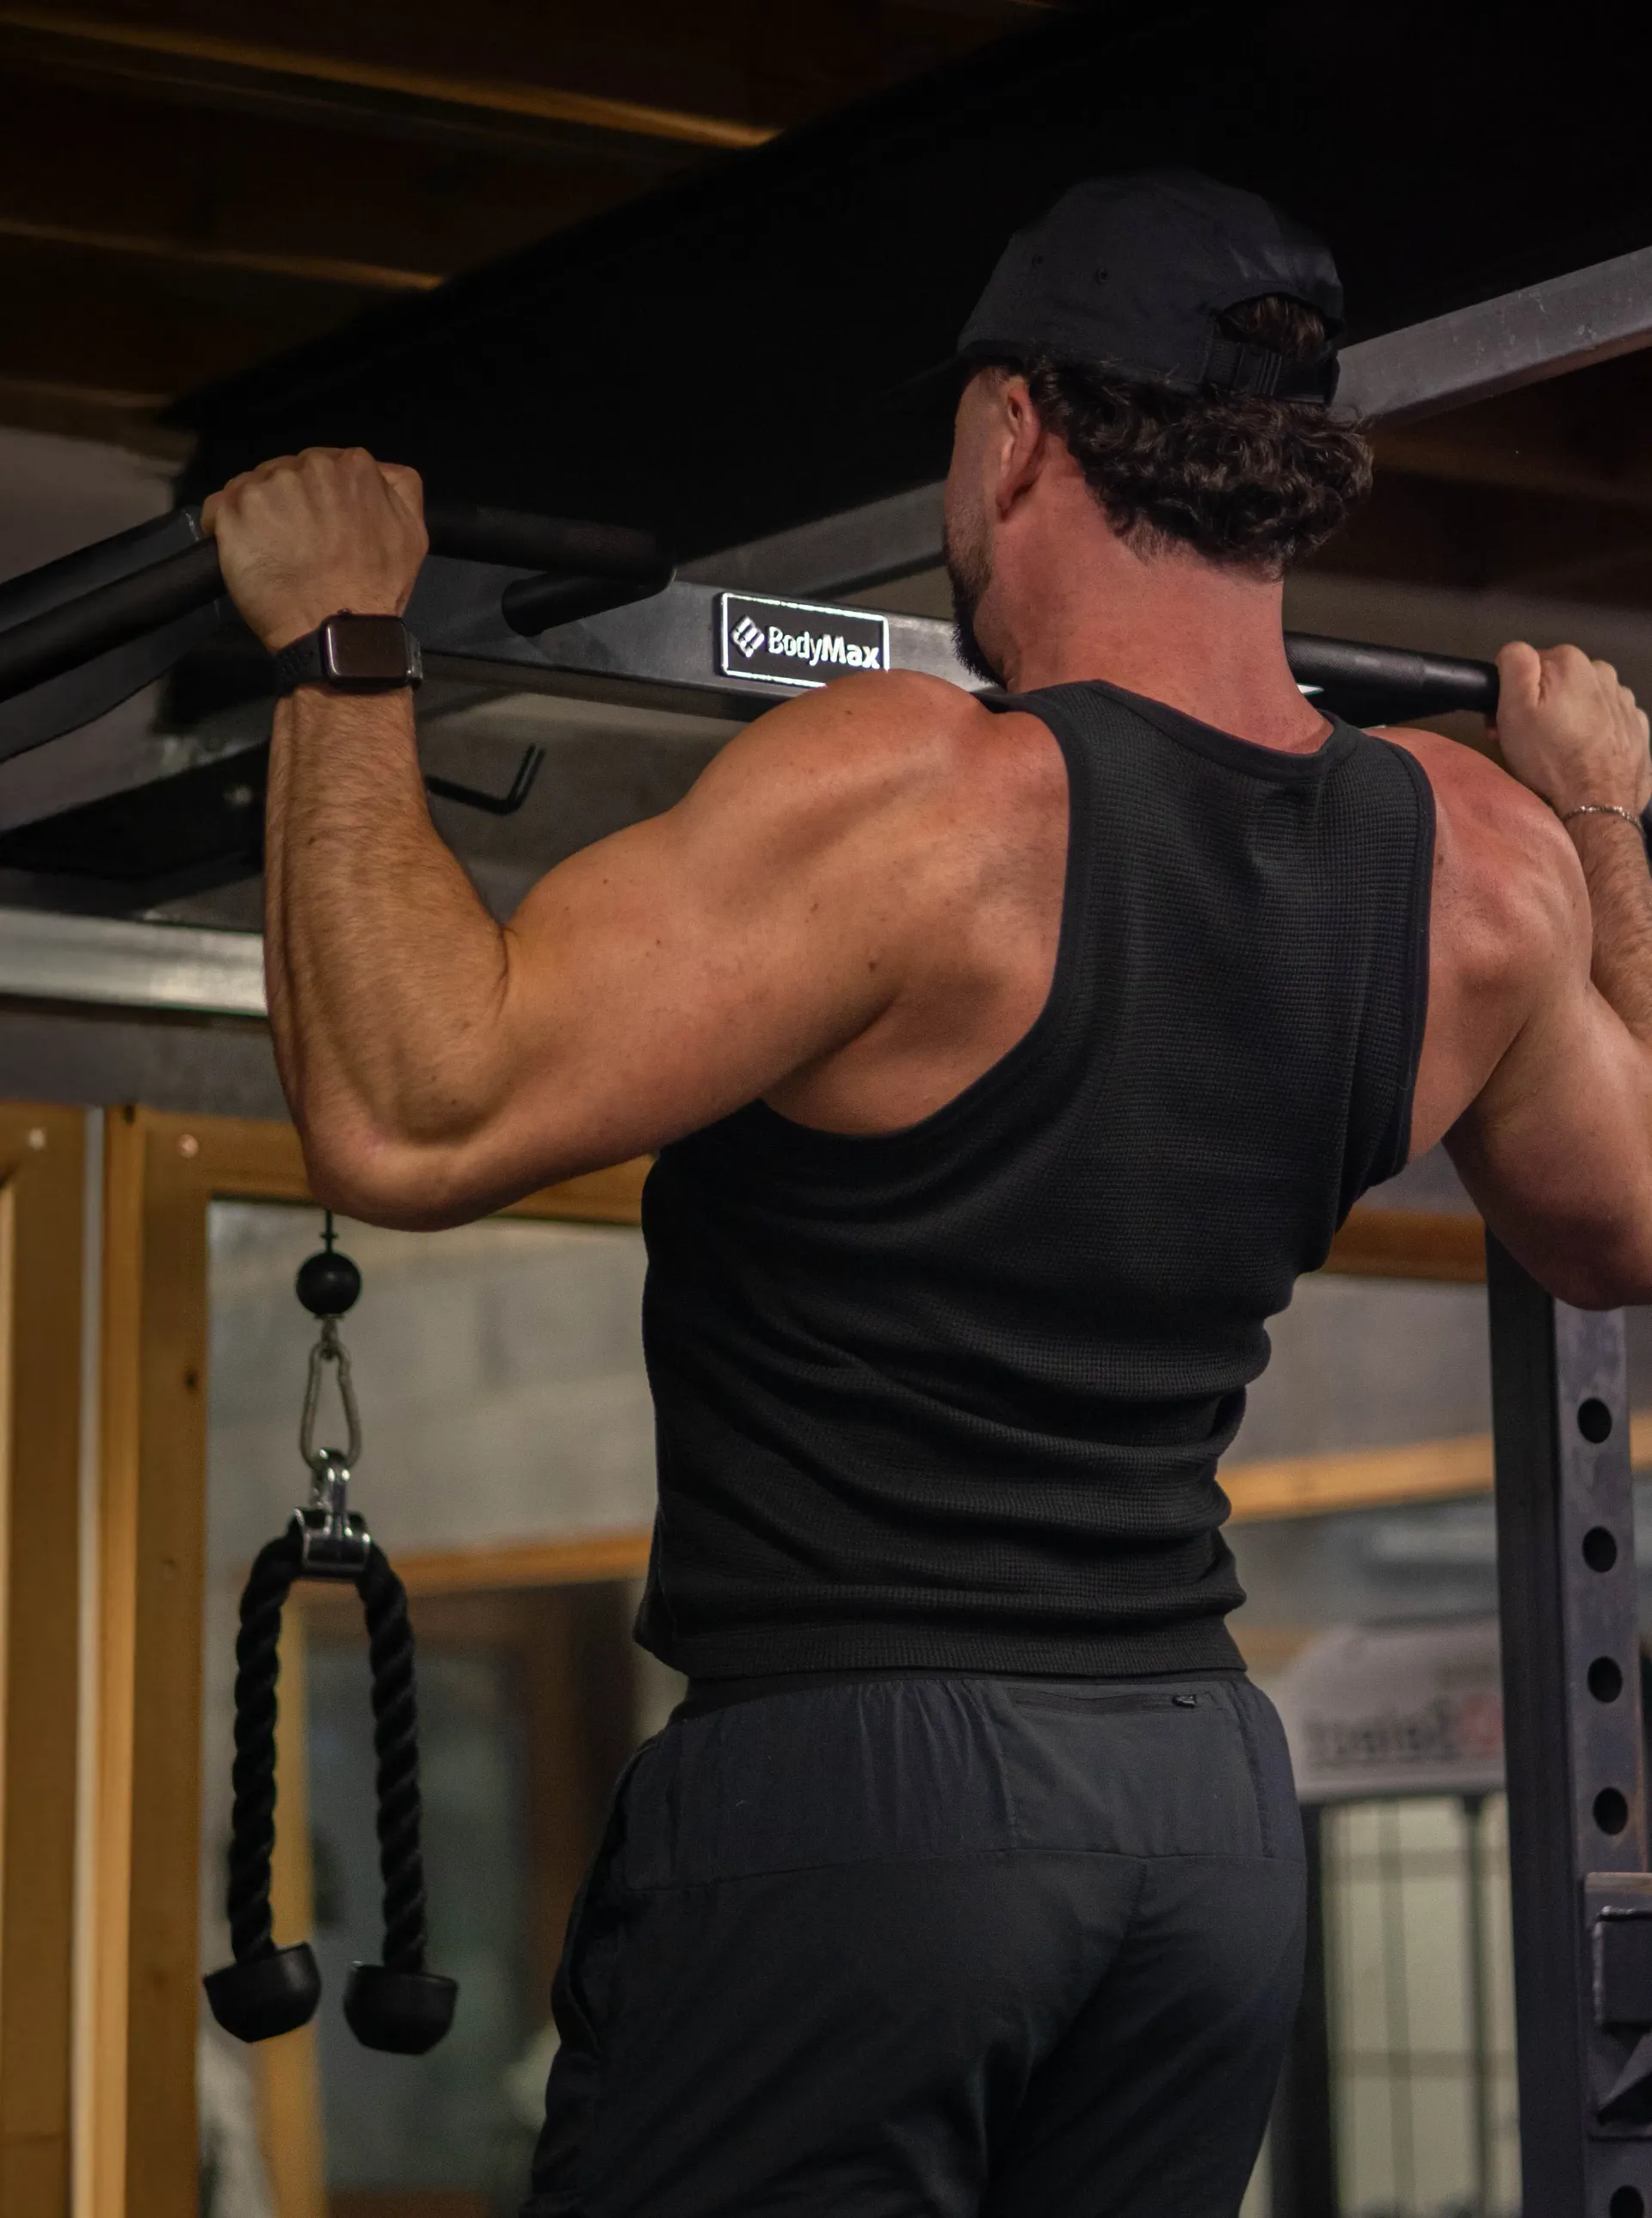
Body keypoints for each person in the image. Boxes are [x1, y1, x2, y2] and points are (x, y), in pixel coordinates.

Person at [203, 169, 1652, 2218]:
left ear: (1013, 431)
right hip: (1204, 1824)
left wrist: (344, 638)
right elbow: (1634, 1213)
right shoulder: (1481, 863)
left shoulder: (931, 801)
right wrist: (1604, 804)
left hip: (868, 1799)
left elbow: (406, 1112)